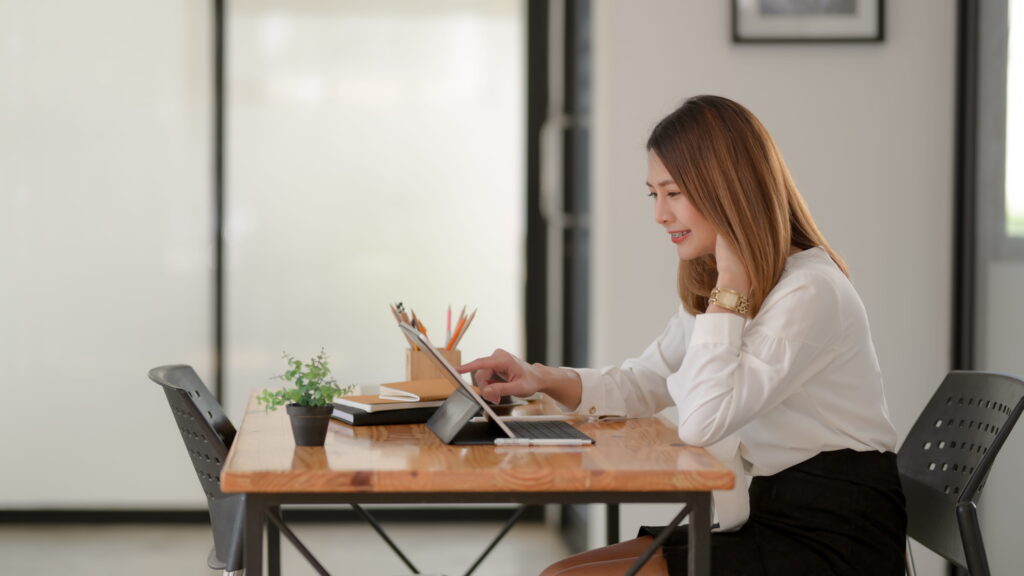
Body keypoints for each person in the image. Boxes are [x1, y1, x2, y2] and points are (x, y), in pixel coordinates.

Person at [458, 95, 906, 575]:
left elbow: (701, 422)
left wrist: (729, 291)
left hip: (837, 534)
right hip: (768, 515)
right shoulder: (727, 286)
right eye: (653, 194)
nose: (660, 214)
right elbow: (646, 380)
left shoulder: (808, 291)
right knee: (557, 574)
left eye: (673, 193)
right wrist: (540, 377)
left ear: (727, 190)